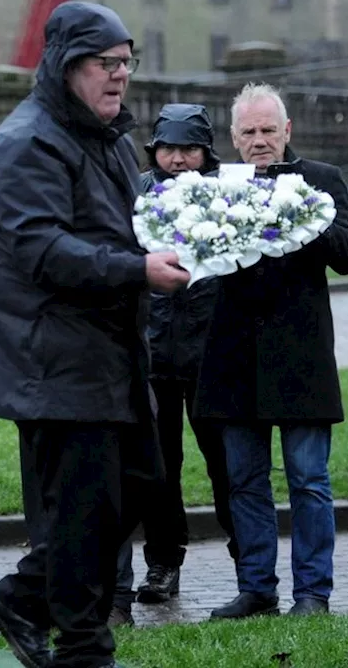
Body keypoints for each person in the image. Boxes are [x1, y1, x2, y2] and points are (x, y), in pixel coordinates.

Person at [0, 3, 188, 667]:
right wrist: (140, 270)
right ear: (68, 64)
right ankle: (84, 647)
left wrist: (203, 236)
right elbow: (44, 250)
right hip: (54, 360)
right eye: (106, 63)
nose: (120, 76)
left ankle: (22, 597)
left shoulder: (111, 139)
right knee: (82, 512)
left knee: (139, 492)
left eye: (127, 62)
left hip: (112, 354)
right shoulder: (26, 143)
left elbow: (138, 224)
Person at [195, 82, 348, 620]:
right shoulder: (213, 185)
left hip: (301, 358)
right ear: (233, 137)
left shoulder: (321, 180)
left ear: (287, 131)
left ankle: (313, 594)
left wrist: (306, 219)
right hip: (233, 356)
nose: (260, 140)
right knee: (244, 480)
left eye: (269, 130)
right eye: (249, 131)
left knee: (308, 479)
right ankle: (256, 589)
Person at [114, 104, 236, 621]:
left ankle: (250, 563)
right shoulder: (137, 194)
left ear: (207, 152)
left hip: (214, 355)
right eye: (169, 148)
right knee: (159, 471)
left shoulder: (231, 193)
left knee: (228, 467)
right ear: (154, 151)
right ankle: (163, 562)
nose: (179, 159)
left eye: (190, 149)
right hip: (153, 353)